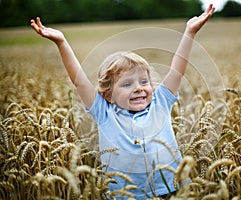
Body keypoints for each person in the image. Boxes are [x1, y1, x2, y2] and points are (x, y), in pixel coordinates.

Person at [30, 4, 214, 199]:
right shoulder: (104, 112)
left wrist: (189, 32)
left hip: (170, 190)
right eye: (127, 84)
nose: (138, 88)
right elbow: (80, 82)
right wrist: (61, 42)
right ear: (108, 94)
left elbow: (177, 70)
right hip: (124, 195)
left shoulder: (160, 103)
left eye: (144, 81)